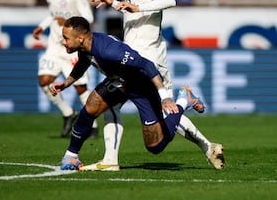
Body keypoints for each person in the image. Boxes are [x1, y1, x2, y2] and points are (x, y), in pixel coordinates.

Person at [88, 0, 225, 170]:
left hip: (146, 61)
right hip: (138, 58)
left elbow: (169, 0)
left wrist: (137, 8)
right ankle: (206, 145)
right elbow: (135, 12)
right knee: (155, 111)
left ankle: (184, 101)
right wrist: (113, 3)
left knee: (120, 107)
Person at [51, 16, 204, 170]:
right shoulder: (86, 47)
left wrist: (165, 97)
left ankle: (184, 100)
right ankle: (71, 156)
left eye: (65, 38)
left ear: (81, 38)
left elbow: (146, 64)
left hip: (141, 87)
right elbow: (83, 63)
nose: (63, 42)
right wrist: (65, 83)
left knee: (155, 146)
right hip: (120, 82)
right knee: (89, 109)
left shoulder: (110, 51)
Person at [32, 0, 98, 138]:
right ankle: (68, 113)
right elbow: (53, 14)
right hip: (54, 46)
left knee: (80, 88)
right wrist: (42, 26)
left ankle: (92, 125)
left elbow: (89, 18)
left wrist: (68, 22)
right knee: (44, 81)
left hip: (73, 48)